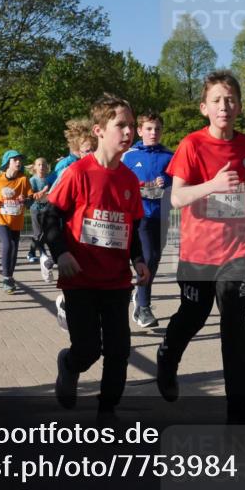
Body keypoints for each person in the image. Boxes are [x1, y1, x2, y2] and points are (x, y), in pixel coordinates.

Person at [156, 71, 245, 425]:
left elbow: (244, 184)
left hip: (235, 253)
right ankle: (168, 356)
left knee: (235, 327)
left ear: (240, 106)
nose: (225, 106)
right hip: (198, 252)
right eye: (217, 100)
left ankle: (239, 412)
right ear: (205, 108)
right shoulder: (192, 145)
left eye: (230, 100)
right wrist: (213, 184)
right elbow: (177, 198)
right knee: (193, 315)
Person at [42, 94, 148, 420]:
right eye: (121, 125)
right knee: (89, 349)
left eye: (132, 125)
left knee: (118, 351)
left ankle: (107, 409)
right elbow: (48, 217)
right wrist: (60, 254)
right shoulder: (77, 173)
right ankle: (69, 363)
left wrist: (139, 260)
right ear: (99, 130)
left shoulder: (130, 179)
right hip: (80, 279)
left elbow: (133, 225)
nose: (129, 131)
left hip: (116, 280)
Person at [121, 111, 174, 330]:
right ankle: (143, 306)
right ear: (140, 131)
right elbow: (119, 180)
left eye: (158, 129)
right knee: (148, 256)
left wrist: (167, 180)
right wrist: (136, 187)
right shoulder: (129, 155)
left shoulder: (169, 156)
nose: (154, 133)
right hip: (139, 215)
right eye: (149, 129)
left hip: (161, 215)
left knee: (154, 260)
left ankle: (139, 297)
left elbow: (179, 180)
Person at [48, 120, 97, 328]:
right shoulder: (68, 169)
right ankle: (66, 305)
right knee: (79, 283)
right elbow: (53, 202)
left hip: (96, 236)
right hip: (71, 234)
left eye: (95, 148)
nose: (92, 153)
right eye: (87, 150)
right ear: (77, 150)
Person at [0, 150, 33, 294]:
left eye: (20, 160)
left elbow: (30, 199)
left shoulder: (23, 179)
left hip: (16, 219)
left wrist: (25, 200)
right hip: (0, 218)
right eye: (15, 160)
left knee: (14, 248)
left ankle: (9, 277)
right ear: (7, 162)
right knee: (7, 244)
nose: (18, 162)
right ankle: (6, 278)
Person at [27, 157, 56, 263]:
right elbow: (33, 195)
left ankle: (31, 252)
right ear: (35, 167)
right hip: (35, 208)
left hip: (47, 208)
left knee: (45, 232)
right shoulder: (32, 180)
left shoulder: (50, 178)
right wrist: (42, 192)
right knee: (38, 233)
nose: (41, 167)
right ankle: (43, 254)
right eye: (39, 165)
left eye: (43, 164)